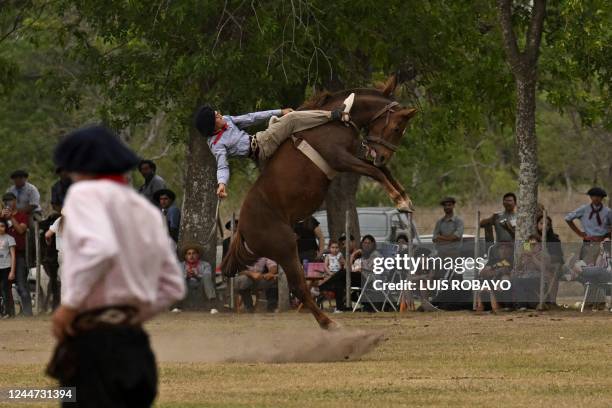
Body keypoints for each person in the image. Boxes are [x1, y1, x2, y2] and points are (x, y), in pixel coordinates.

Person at [46, 125, 185, 408]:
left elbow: (101, 249)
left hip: (94, 347)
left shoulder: (84, 195)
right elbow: (172, 286)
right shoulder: (144, 209)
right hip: (136, 346)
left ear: (79, 167)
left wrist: (70, 306)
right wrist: (127, 315)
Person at [194, 94, 355, 199]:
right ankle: (334, 115)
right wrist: (222, 184)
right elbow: (222, 166)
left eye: (217, 112)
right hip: (262, 147)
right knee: (292, 119)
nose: (219, 114)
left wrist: (279, 111)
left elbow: (252, 118)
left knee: (286, 118)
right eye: (216, 116)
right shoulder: (217, 144)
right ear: (212, 126)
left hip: (262, 137)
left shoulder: (227, 120)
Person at [0, 192, 32, 316]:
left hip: (18, 254)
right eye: (6, 201)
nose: (8, 203)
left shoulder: (22, 216)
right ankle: (9, 311)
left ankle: (28, 312)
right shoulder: (2, 217)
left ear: (15, 201)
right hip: (3, 255)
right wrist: (1, 217)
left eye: (10, 200)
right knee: (5, 286)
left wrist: (11, 218)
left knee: (21, 285)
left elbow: (20, 230)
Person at [565, 187, 611, 264]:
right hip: (588, 242)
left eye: (599, 196)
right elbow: (568, 218)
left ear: (602, 198)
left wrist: (608, 235)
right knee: (585, 265)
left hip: (603, 242)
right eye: (593, 196)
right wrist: (579, 233)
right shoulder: (584, 209)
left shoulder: (607, 211)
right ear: (590, 197)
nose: (596, 198)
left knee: (603, 265)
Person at [176, 242, 217, 313]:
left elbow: (208, 276)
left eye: (194, 253)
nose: (191, 256)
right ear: (185, 256)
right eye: (189, 254)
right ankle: (177, 306)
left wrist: (197, 275)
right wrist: (187, 276)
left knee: (206, 276)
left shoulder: (205, 265)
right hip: (187, 290)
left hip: (201, 289)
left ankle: (212, 305)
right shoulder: (180, 265)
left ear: (198, 255)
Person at [511, 234, 550, 309]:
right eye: (529, 245)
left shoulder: (543, 254)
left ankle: (522, 305)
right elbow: (519, 268)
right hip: (525, 278)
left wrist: (532, 257)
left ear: (539, 245)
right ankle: (510, 305)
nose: (532, 246)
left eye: (534, 244)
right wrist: (521, 259)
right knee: (510, 281)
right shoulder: (526, 254)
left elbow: (543, 268)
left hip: (538, 279)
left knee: (517, 281)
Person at [475, 243, 514, 312]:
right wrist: (495, 271)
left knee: (504, 279)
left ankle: (496, 308)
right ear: (498, 250)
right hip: (490, 282)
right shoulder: (492, 261)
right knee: (480, 285)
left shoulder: (512, 260)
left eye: (506, 248)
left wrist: (491, 271)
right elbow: (482, 273)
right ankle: (480, 307)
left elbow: (506, 270)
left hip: (501, 284)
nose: (504, 250)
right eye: (501, 248)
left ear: (510, 250)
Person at [536, 214, 564, 307]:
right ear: (537, 224)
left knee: (552, 275)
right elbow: (526, 252)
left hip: (550, 267)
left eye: (547, 224)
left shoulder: (555, 240)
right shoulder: (530, 239)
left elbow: (559, 257)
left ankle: (552, 302)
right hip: (535, 265)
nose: (544, 226)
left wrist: (548, 259)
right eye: (541, 223)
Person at [0, 219, 16, 318]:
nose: (0, 228)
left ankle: (7, 312)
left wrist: (12, 271)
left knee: (5, 289)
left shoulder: (9, 238)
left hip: (6, 268)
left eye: (2, 226)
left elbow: (13, 256)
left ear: (6, 227)